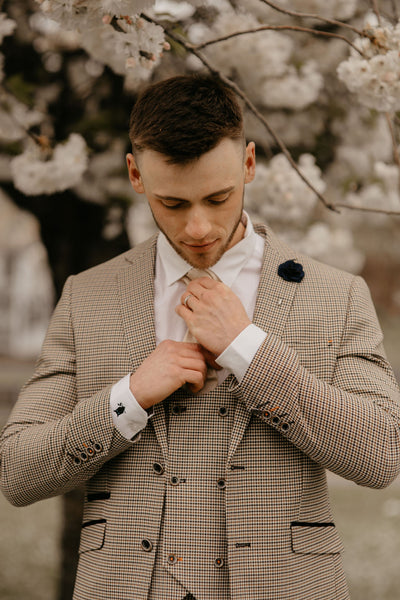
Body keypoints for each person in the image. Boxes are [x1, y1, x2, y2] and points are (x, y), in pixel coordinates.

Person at [1, 74, 400, 600]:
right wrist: (129, 397)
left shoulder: (336, 294)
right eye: (173, 203)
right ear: (134, 174)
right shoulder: (87, 296)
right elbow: (18, 472)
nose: (197, 227)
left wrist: (251, 351)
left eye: (218, 198)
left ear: (250, 165)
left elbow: (381, 454)